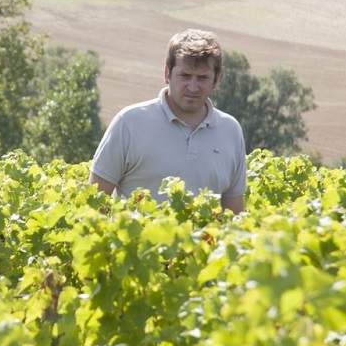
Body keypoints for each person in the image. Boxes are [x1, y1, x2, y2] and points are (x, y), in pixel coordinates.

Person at [90, 28, 246, 213]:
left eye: (202, 78)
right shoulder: (130, 123)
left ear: (216, 80)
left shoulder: (230, 131)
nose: (193, 87)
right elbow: (94, 204)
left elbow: (234, 214)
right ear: (167, 74)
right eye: (185, 76)